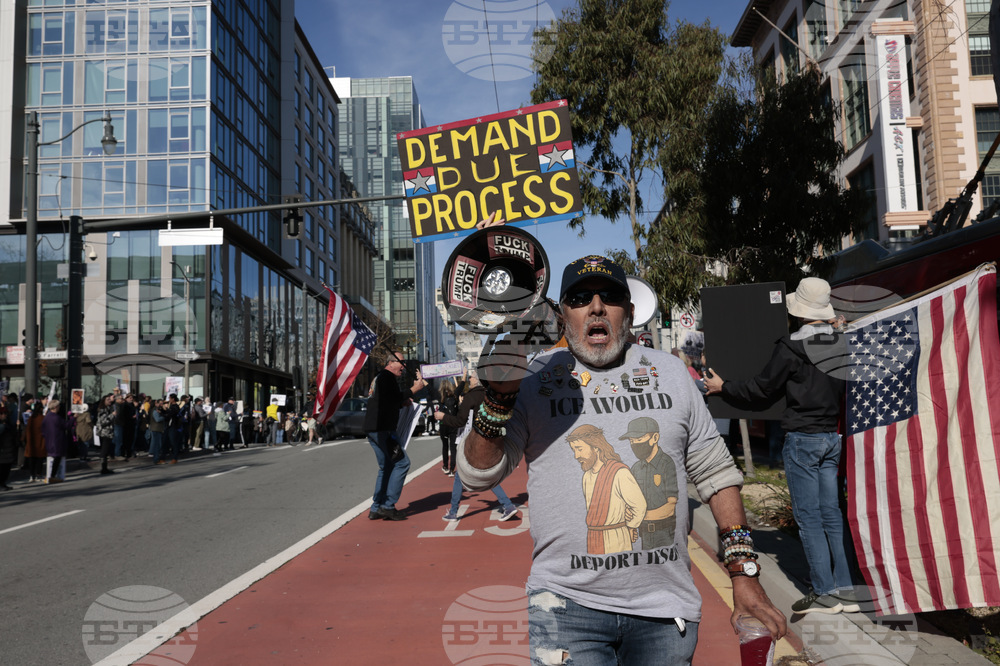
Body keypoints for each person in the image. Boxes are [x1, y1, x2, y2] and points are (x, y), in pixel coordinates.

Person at [458, 238, 785, 662]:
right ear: (563, 315)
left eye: (610, 297)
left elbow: (716, 474)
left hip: (665, 612)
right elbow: (477, 474)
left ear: (628, 313)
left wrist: (744, 574)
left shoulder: (671, 373)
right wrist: (498, 399)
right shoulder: (532, 377)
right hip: (565, 606)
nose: (596, 307)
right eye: (580, 298)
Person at [705, 276, 859, 615]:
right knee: (832, 514)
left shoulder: (792, 347)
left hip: (802, 440)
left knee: (808, 517)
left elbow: (761, 389)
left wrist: (724, 386)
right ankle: (847, 589)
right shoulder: (842, 344)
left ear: (800, 310)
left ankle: (824, 592)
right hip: (831, 439)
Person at [435, 374, 519, 522]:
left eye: (472, 377)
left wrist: (443, 417)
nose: (470, 379)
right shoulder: (489, 395)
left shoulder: (471, 397)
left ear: (477, 381)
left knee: (470, 474)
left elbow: (460, 421)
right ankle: (507, 504)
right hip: (492, 439)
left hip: (473, 442)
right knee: (483, 475)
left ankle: (454, 512)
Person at [364, 349, 427, 521]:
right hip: (383, 429)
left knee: (386, 466)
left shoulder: (380, 378)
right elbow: (392, 398)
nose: (403, 366)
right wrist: (414, 389)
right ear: (390, 363)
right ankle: (387, 506)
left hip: (374, 429)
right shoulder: (387, 378)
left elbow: (387, 401)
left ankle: (376, 507)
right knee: (402, 463)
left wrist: (402, 401)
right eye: (401, 362)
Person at [42, 399, 70, 483]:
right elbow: (66, 426)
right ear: (55, 407)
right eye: (58, 406)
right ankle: (52, 476)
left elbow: (43, 429)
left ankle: (50, 476)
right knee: (57, 458)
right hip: (57, 441)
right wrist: (73, 418)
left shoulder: (47, 417)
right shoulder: (57, 418)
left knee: (52, 459)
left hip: (49, 440)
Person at [436, 380, 460, 475]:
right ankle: (452, 468)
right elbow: (461, 386)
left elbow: (429, 388)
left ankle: (445, 465)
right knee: (453, 447)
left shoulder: (440, 397)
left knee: (445, 446)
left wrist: (422, 379)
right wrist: (464, 376)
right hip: (453, 424)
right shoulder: (455, 396)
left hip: (443, 425)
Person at [23, 403, 46, 482]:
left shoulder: (31, 419)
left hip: (31, 442)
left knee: (32, 460)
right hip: (40, 441)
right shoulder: (42, 418)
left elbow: (27, 430)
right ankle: (38, 474)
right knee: (39, 459)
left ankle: (32, 475)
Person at [96, 394, 116, 475]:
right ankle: (103, 468)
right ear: (104, 401)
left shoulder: (107, 409)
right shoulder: (102, 410)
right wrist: (112, 415)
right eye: (108, 399)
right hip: (105, 433)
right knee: (104, 451)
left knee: (106, 450)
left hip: (108, 432)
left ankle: (105, 468)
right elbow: (104, 422)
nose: (110, 401)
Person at [0, 403, 16, 490]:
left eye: (5, 413)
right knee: (2, 469)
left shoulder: (7, 423)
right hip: (3, 450)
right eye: (2, 414)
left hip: (8, 449)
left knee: (6, 469)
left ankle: (3, 483)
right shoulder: (2, 426)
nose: (4, 415)